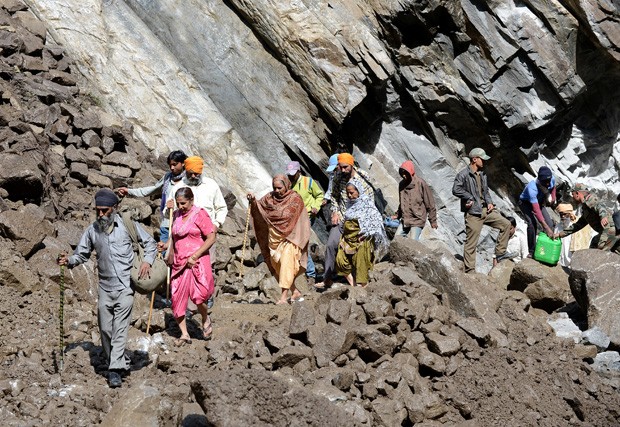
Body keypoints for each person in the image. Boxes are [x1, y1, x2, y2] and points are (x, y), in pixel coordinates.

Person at [57, 189, 157, 388]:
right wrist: (68, 260)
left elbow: (150, 243)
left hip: (126, 287)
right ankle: (118, 360)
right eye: (98, 211)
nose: (101, 214)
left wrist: (147, 261)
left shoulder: (128, 226)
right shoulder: (92, 230)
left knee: (120, 328)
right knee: (105, 328)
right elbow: (81, 254)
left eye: (105, 210)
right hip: (105, 287)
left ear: (114, 208)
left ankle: (114, 370)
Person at [163, 156, 227, 311]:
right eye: (190, 173)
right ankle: (188, 303)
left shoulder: (211, 185)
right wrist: (168, 208)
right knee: (183, 267)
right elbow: (168, 214)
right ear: (186, 170)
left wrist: (216, 224)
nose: (193, 176)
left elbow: (221, 207)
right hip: (184, 236)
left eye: (196, 173)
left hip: (205, 234)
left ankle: (205, 297)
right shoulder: (178, 187)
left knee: (206, 265)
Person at [164, 187, 216, 345]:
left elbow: (211, 237)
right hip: (180, 262)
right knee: (177, 299)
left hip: (197, 261)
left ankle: (205, 318)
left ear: (191, 200)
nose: (181, 207)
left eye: (184, 203)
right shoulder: (176, 215)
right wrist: (165, 245)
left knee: (199, 297)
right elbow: (174, 238)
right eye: (178, 203)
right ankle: (185, 334)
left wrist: (195, 255)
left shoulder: (200, 214)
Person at [247, 175, 310, 304]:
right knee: (278, 265)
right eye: (274, 188)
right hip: (274, 239)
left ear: (287, 185)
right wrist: (253, 200)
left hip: (291, 238)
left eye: (279, 188)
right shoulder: (269, 198)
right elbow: (259, 208)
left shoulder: (295, 199)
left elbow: (298, 219)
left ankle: (283, 297)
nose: (277, 191)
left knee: (287, 264)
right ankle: (295, 291)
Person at [315, 153, 375, 289]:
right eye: (340, 167)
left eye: (345, 167)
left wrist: (366, 226)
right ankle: (327, 278)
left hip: (358, 221)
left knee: (359, 250)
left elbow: (369, 203)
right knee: (331, 244)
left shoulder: (362, 179)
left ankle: (360, 282)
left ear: (352, 164)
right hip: (342, 218)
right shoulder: (338, 177)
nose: (342, 170)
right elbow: (334, 196)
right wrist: (335, 211)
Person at [452, 148, 511, 273]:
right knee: (471, 243)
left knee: (506, 224)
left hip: (486, 210)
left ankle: (500, 253)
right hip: (473, 213)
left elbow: (486, 191)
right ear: (474, 159)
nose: (484, 161)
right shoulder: (463, 174)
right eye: (482, 159)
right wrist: (469, 196)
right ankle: (469, 270)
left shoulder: (482, 174)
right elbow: (455, 189)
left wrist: (489, 202)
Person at [117, 150, 187, 243]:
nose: (172, 168)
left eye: (175, 164)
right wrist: (129, 191)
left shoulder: (188, 180)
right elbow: (151, 190)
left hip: (182, 224)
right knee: (165, 254)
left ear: (182, 163)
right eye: (170, 165)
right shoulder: (167, 178)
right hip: (166, 223)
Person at [336, 179, 388, 287]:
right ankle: (353, 284)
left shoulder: (367, 205)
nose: (350, 196)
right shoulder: (350, 205)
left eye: (352, 193)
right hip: (348, 239)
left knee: (361, 263)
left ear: (358, 191)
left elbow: (376, 221)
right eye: (348, 193)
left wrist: (366, 233)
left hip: (361, 240)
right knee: (340, 261)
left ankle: (362, 286)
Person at [285, 160, 324, 284]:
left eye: (293, 174)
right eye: (289, 174)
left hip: (307, 216)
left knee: (301, 243)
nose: (291, 176)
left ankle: (310, 273)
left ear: (299, 172)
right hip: (293, 217)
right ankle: (302, 271)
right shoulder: (287, 184)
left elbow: (319, 195)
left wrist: (316, 207)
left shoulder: (309, 182)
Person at [555, 183, 619, 253]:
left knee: (598, 253)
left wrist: (603, 216)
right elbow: (578, 225)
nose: (572, 197)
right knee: (596, 245)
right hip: (608, 232)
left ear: (577, 193)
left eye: (572, 194)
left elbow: (600, 205)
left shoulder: (590, 198)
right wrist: (560, 234)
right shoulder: (585, 208)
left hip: (608, 231)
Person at [392, 160, 438, 240]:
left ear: (411, 172)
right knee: (396, 239)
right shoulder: (402, 185)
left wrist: (433, 221)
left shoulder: (420, 183)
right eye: (402, 173)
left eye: (405, 173)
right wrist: (397, 215)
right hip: (405, 218)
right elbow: (402, 202)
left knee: (413, 242)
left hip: (417, 219)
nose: (404, 175)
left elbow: (430, 203)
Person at [518, 166, 557, 257]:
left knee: (550, 224)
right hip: (525, 203)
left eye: (549, 181)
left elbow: (553, 187)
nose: (548, 184)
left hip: (539, 201)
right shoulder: (532, 188)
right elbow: (536, 210)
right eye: (545, 182)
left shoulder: (551, 179)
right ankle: (532, 251)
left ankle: (545, 249)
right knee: (532, 224)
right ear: (540, 180)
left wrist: (553, 197)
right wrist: (545, 228)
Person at [555, 203, 595, 268]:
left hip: (572, 262)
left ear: (570, 214)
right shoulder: (558, 226)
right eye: (561, 214)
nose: (562, 217)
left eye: (565, 214)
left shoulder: (576, 226)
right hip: (560, 262)